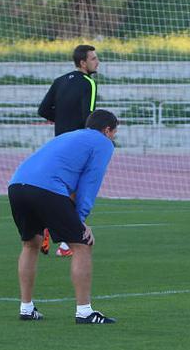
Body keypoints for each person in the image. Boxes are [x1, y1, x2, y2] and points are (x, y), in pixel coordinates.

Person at [8, 109, 118, 324]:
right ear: (107, 130)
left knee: (31, 244)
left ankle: (26, 308)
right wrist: (81, 220)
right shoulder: (103, 143)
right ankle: (85, 312)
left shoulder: (70, 135)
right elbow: (89, 184)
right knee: (82, 244)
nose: (114, 137)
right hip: (46, 188)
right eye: (114, 132)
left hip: (17, 185)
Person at [37, 44, 101, 257]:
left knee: (61, 189)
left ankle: (47, 227)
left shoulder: (60, 81)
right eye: (93, 58)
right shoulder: (88, 83)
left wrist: (62, 121)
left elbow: (43, 110)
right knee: (77, 192)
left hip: (58, 144)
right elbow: (89, 117)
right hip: (77, 144)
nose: (97, 62)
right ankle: (66, 243)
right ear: (83, 63)